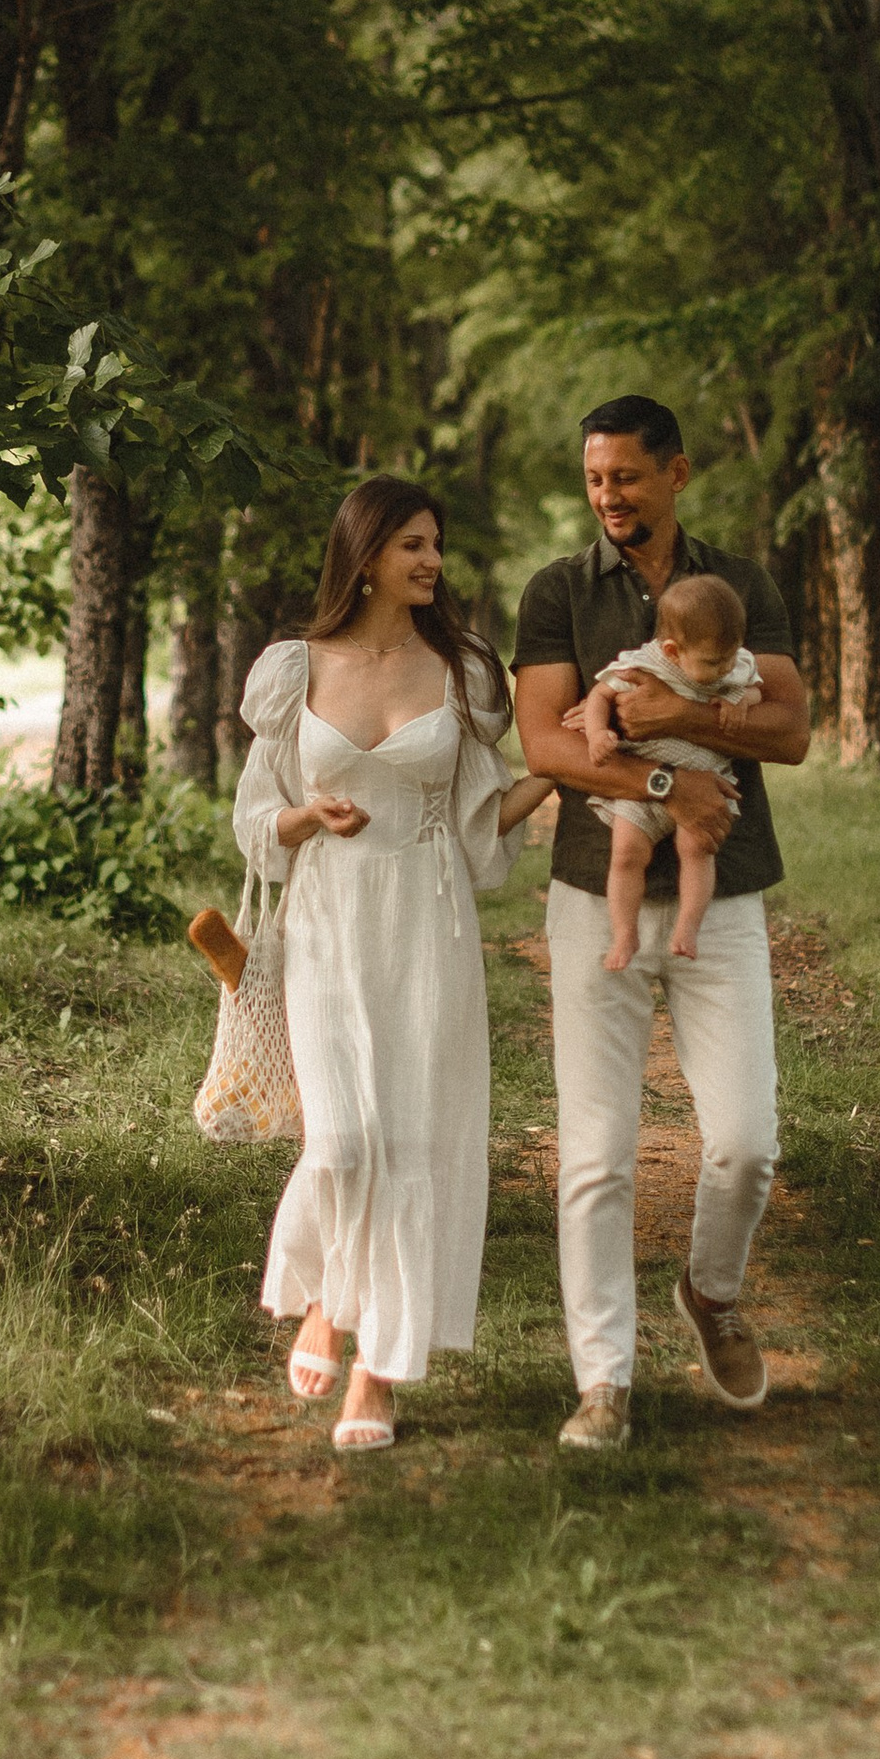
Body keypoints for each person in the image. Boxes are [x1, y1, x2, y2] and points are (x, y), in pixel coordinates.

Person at [511, 396, 812, 1452]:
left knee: (745, 1145)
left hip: (725, 896)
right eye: (595, 480)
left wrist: (685, 719)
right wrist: (661, 783)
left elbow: (790, 728)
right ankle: (605, 1382)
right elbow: (546, 743)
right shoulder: (556, 591)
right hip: (595, 892)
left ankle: (712, 1292)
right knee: (595, 1153)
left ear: (676, 473)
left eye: (626, 478)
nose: (608, 497)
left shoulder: (738, 587)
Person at [233, 476, 549, 1453]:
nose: (430, 561)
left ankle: (376, 1367)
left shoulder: (460, 671)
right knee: (339, 1143)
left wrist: (561, 771)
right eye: (412, 543)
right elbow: (254, 817)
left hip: (428, 919)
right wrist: (303, 816)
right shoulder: (294, 669)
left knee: (416, 1144)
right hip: (327, 920)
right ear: (364, 553)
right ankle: (325, 1289)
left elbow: (475, 820)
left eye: (435, 545)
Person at [574, 570, 764, 971]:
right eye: (714, 662)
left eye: (731, 656)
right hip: (641, 780)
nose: (725, 668)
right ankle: (624, 933)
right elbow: (600, 695)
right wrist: (596, 734)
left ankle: (688, 927)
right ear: (674, 651)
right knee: (626, 853)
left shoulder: (733, 662)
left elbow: (755, 686)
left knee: (697, 849)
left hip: (708, 781)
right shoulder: (647, 665)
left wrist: (742, 700)